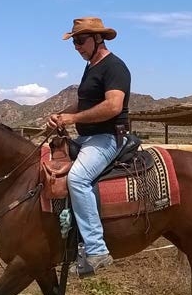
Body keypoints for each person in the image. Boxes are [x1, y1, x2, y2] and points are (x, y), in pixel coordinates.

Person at [48, 16, 131, 276]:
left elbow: (113, 106)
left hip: (108, 138)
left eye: (80, 41)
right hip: (86, 138)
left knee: (78, 179)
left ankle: (96, 250)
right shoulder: (91, 67)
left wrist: (73, 118)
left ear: (98, 39)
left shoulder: (115, 67)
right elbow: (84, 103)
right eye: (74, 42)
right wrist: (62, 115)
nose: (77, 47)